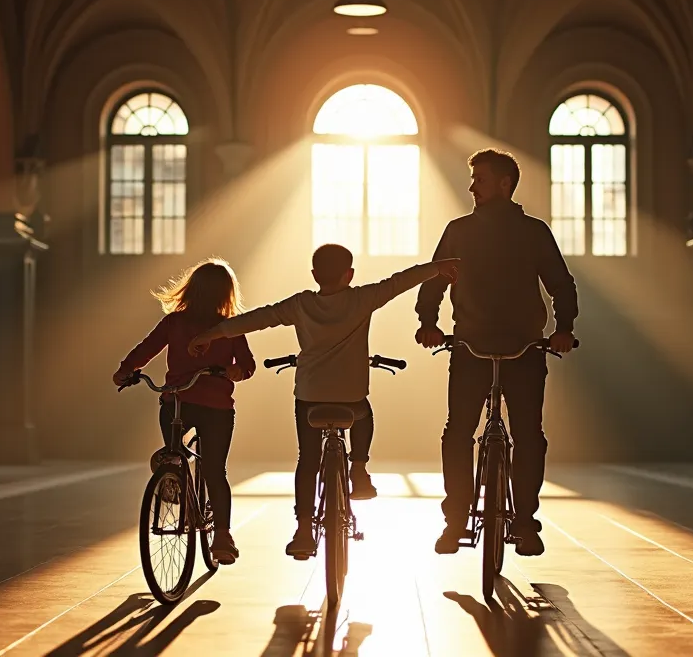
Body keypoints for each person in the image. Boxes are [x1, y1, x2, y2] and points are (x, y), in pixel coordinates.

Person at [189, 244, 460, 558]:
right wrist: (437, 267)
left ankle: (304, 530)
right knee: (363, 411)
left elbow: (257, 319)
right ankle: (359, 469)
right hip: (351, 397)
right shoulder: (363, 298)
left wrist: (211, 335)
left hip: (310, 398)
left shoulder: (300, 305)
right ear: (350, 274)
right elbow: (401, 281)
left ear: (315, 274)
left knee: (308, 460)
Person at [415, 148, 578, 557]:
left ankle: (524, 522)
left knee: (528, 437)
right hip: (471, 345)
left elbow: (562, 284)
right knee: (458, 433)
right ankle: (455, 521)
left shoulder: (534, 232)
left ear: (505, 185)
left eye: (480, 179)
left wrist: (564, 328)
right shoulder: (458, 231)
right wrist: (427, 322)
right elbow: (435, 280)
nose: (472, 186)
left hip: (524, 348)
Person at [112, 259, 255, 566]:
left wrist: (126, 370)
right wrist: (128, 369)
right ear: (226, 293)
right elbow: (248, 367)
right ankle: (182, 485)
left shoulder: (223, 327)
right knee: (214, 470)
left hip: (183, 402)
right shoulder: (204, 325)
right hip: (200, 406)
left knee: (205, 466)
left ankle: (214, 525)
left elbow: (246, 366)